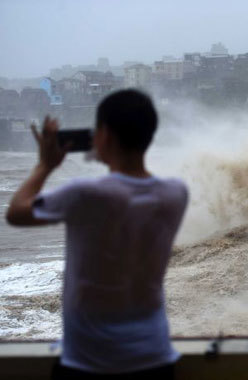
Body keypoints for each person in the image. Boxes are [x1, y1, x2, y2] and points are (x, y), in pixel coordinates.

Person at [5, 90, 188, 379]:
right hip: (155, 359)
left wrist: (45, 165)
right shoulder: (176, 193)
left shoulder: (85, 194)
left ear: (103, 135)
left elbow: (16, 212)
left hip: (88, 363)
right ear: (149, 136)